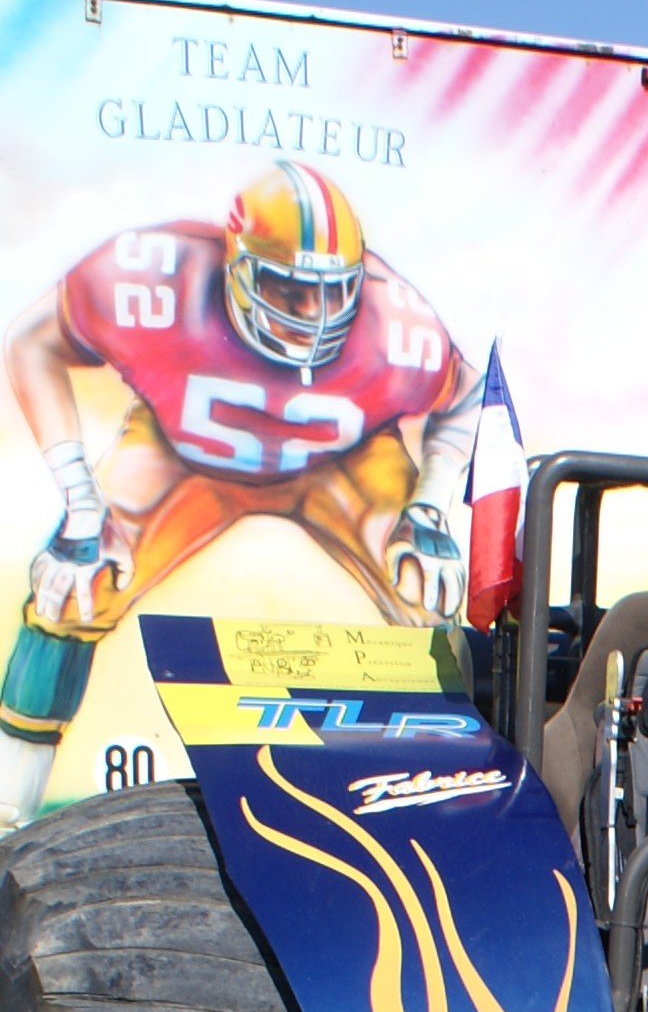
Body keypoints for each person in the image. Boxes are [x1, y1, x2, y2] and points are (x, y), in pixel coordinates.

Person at [0, 158, 481, 826]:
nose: (313, 315)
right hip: (184, 454)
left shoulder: (397, 322)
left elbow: (466, 393)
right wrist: (80, 499)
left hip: (340, 461)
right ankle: (8, 808)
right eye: (287, 290)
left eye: (331, 293)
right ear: (237, 265)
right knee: (76, 582)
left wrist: (428, 505)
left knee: (424, 586)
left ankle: (453, 807)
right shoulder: (153, 278)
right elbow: (31, 342)